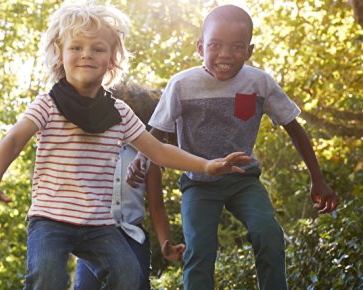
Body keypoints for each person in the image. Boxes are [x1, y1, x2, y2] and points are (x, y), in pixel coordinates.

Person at [0, 2, 251, 290]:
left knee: (129, 275)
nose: (86, 54)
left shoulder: (119, 112)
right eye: (76, 47)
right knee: (47, 276)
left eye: (97, 48)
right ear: (59, 53)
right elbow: (13, 140)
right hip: (51, 218)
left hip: (98, 224)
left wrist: (205, 165)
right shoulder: (48, 104)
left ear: (112, 58)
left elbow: (159, 151)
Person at [126, 4, 339, 290]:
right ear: (200, 47)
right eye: (215, 45)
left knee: (269, 234)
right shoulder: (181, 85)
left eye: (237, 47)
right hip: (199, 183)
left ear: (249, 52)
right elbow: (157, 134)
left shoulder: (259, 82)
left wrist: (318, 178)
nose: (225, 54)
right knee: (200, 251)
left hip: (242, 179)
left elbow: (294, 128)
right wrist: (142, 157)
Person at [74, 92, 185, 290]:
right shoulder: (88, 152)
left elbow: (157, 207)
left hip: (132, 237)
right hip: (92, 235)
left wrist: (165, 245)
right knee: (86, 286)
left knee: (138, 281)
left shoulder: (146, 159)